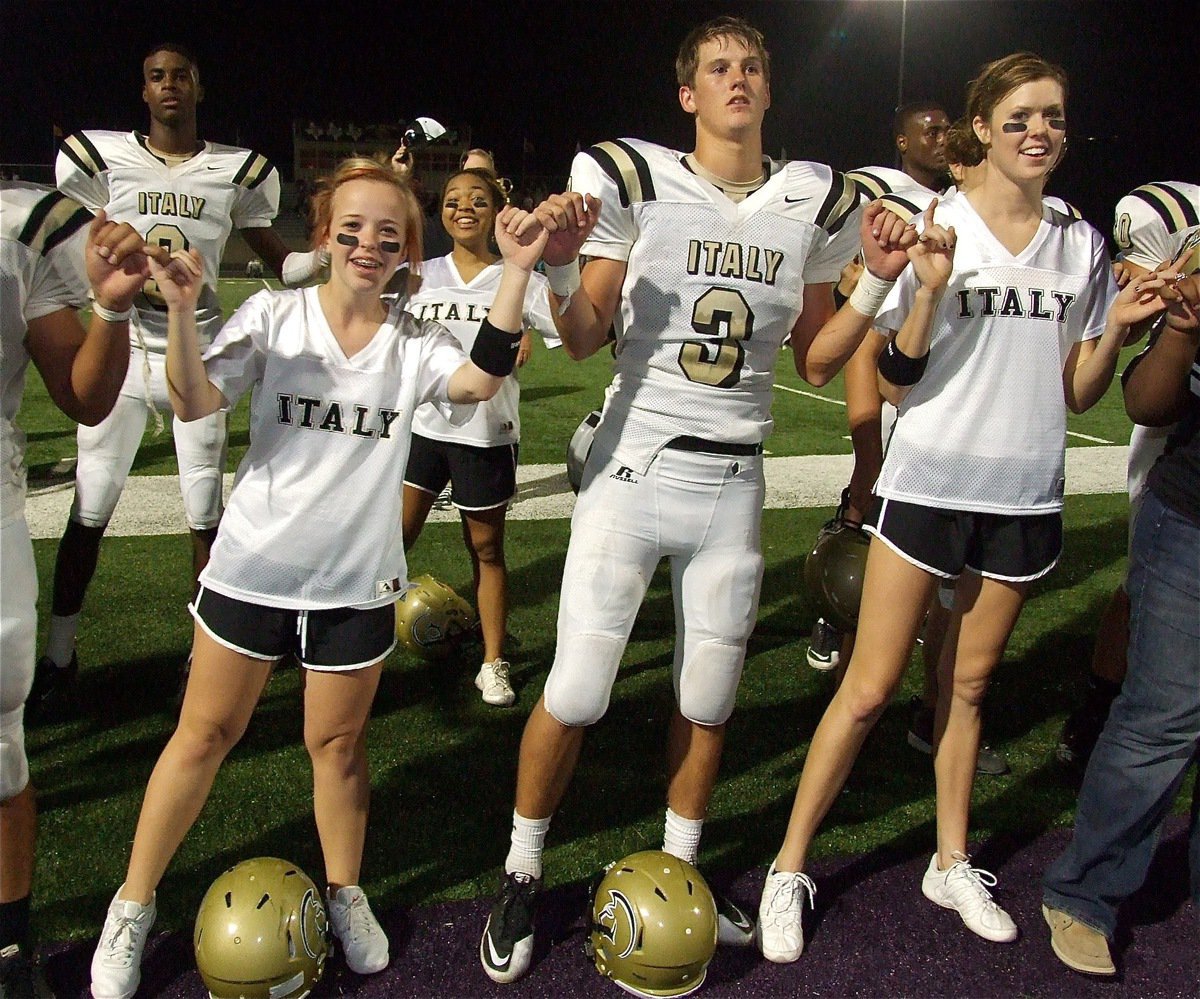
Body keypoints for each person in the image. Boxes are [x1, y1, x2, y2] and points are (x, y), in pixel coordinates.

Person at [478, 15, 919, 985]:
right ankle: (520, 868)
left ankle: (677, 869)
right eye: (718, 67)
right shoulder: (637, 181)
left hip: (732, 477)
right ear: (687, 94)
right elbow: (587, 332)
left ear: (768, 89)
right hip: (635, 468)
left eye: (752, 66)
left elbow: (815, 355)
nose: (738, 79)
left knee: (709, 695)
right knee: (581, 687)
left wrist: (878, 284)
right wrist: (555, 260)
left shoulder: (810, 197)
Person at [87, 157, 547, 999]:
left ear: (407, 249)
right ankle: (132, 902)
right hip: (253, 573)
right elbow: (194, 402)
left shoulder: (413, 343)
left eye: (387, 232)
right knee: (202, 738)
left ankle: (344, 889)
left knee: (336, 748)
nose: (368, 244)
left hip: (355, 586)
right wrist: (184, 311)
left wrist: (516, 271)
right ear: (324, 234)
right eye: (352, 227)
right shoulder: (274, 314)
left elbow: (481, 381)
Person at [756, 52, 1174, 963]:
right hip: (931, 481)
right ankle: (789, 865)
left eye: (1055, 118)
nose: (1041, 132)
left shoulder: (1081, 241)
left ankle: (950, 859)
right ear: (981, 128)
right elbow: (899, 378)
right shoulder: (935, 225)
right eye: (1022, 116)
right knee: (869, 690)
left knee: (969, 686)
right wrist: (931, 291)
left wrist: (1120, 328)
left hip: (1023, 493)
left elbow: (1079, 391)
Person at [32, 43, 324, 718]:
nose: (170, 86)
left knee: (203, 512)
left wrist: (332, 256)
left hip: (199, 353)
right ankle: (59, 652)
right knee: (90, 506)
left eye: (181, 75)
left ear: (199, 86)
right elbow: (70, 247)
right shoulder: (99, 160)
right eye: (157, 77)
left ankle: (204, 658)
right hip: (125, 350)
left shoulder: (237, 171)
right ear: (144, 91)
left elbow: (280, 265)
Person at [1, 186, 150, 997]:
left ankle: (9, 950)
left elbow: (86, 395)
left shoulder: (22, 226)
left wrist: (111, 308)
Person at [829, 119, 1010, 778]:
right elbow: (866, 349)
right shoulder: (905, 213)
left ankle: (931, 716)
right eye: (943, 143)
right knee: (879, 605)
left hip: (981, 455)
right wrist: (867, 455)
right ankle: (854, 714)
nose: (949, 152)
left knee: (951, 603)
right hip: (919, 449)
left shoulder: (1020, 229)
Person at [1041, 265, 1197, 977]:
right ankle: (1086, 892)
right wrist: (1187, 329)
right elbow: (1147, 402)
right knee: (1161, 717)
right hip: (1194, 517)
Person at [1056, 180, 1199, 777]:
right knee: (1145, 577)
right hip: (1180, 426)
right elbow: (1141, 308)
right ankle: (1099, 710)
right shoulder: (1166, 213)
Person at [403, 168, 558, 706]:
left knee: (487, 547)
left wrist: (537, 318)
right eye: (452, 200)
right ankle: (361, 646)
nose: (463, 208)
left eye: (476, 200)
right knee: (390, 541)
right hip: (419, 429)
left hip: (487, 433)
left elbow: (572, 327)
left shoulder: (523, 278)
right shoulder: (416, 276)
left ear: (497, 210)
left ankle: (493, 661)